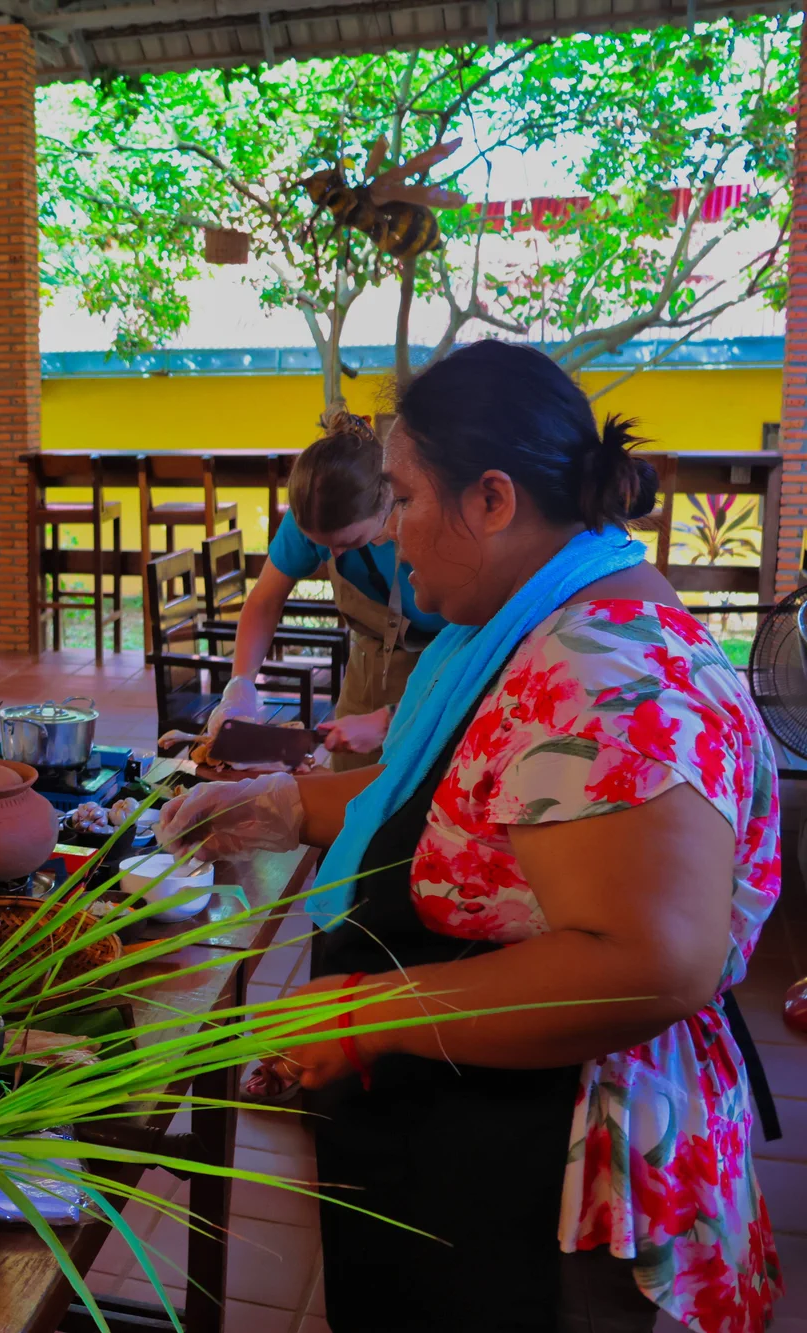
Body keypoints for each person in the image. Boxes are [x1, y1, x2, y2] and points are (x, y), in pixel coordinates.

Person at [158, 341, 780, 1333]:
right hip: (465, 1121)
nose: (390, 533)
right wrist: (285, 804)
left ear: (491, 500)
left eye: (403, 498)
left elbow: (647, 962)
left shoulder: (607, 667)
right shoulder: (531, 622)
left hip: (540, 1160)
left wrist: (363, 1014)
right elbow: (455, 801)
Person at [205, 414, 447, 769]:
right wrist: (240, 684)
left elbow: (479, 639)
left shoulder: (432, 519)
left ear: (388, 499)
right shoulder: (314, 512)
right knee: (348, 788)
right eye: (323, 545)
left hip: (446, 663)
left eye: (348, 542)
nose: (333, 554)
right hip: (369, 665)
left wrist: (390, 720)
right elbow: (264, 601)